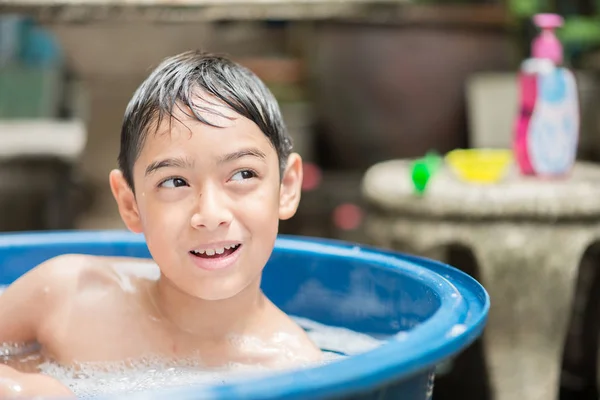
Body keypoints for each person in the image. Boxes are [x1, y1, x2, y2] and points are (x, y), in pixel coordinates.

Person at [0, 51, 322, 397]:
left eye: (243, 174)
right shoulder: (67, 296)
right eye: (174, 182)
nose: (211, 214)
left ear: (286, 187)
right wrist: (22, 389)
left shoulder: (294, 372)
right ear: (130, 203)